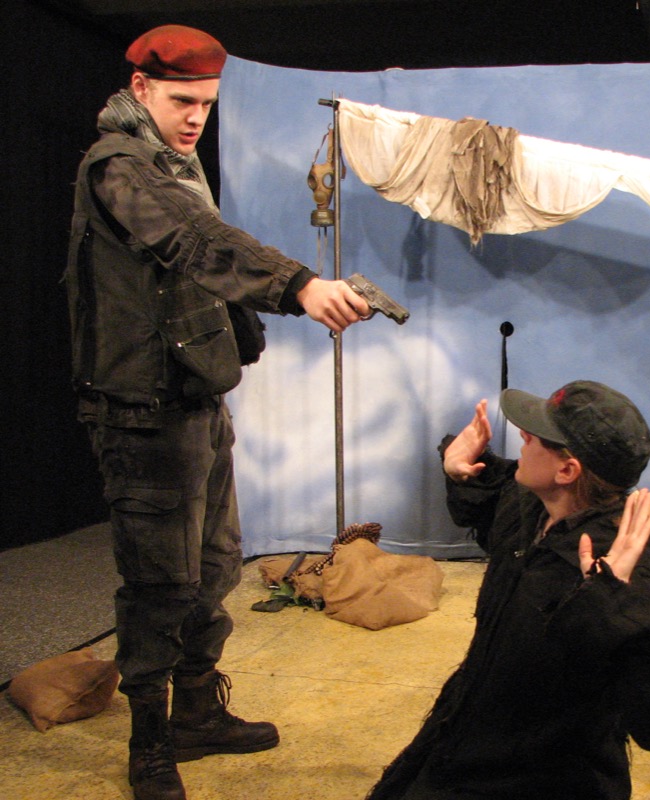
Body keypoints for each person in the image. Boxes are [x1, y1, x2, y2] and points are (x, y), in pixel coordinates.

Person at [64, 25, 374, 800]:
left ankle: (197, 714)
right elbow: (192, 238)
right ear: (140, 89)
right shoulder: (119, 166)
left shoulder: (174, 162)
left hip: (195, 397)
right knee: (158, 585)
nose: (197, 117)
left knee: (215, 566)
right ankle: (149, 739)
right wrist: (298, 285)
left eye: (207, 103)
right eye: (182, 101)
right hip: (142, 412)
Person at [366, 380, 650, 800]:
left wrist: (617, 607)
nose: (523, 435)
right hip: (469, 732)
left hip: (546, 776)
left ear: (567, 471)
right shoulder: (535, 506)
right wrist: (459, 468)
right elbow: (496, 507)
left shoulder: (616, 564)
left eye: (536, 437)